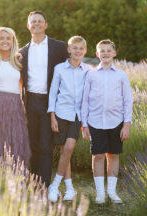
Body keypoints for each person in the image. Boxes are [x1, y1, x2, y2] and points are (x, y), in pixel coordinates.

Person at [20, 11, 68, 187]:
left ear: (46, 25)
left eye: (40, 21)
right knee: (31, 145)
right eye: (33, 22)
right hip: (30, 101)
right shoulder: (21, 52)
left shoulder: (59, 47)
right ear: (28, 26)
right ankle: (32, 182)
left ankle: (45, 185)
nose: (37, 24)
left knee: (46, 146)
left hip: (50, 103)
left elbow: (70, 71)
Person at [81, 39, 133, 204]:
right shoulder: (90, 74)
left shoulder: (121, 75)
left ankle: (112, 192)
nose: (105, 53)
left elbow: (128, 101)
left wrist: (126, 124)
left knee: (114, 155)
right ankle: (100, 193)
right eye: (101, 51)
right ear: (97, 54)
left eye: (108, 51)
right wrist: (84, 125)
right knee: (98, 156)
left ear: (114, 53)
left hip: (116, 121)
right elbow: (85, 101)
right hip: (95, 121)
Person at [47, 36, 91, 202]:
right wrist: (52, 117)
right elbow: (52, 93)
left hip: (77, 115)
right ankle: (70, 188)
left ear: (85, 51)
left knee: (69, 147)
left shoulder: (88, 70)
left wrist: (87, 121)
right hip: (61, 113)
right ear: (69, 50)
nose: (78, 51)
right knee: (64, 150)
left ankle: (55, 185)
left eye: (81, 48)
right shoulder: (59, 68)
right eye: (75, 48)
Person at [0, 27, 31, 166]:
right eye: (1, 38)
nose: (5, 41)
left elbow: (21, 84)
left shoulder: (18, 60)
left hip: (16, 105)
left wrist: (22, 103)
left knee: (16, 139)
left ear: (13, 41)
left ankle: (16, 176)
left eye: (8, 38)